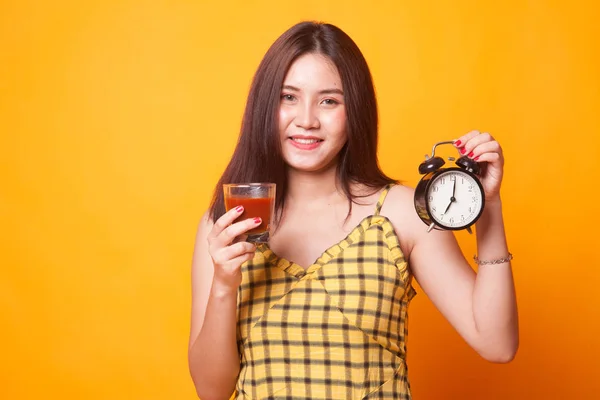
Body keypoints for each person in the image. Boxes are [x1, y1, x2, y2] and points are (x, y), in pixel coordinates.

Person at [188, 21, 519, 400]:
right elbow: (211, 391)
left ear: (355, 110)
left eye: (329, 100)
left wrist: (488, 205)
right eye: (288, 97)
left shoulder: (402, 213)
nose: (307, 119)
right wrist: (224, 286)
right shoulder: (228, 224)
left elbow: (497, 344)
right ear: (265, 106)